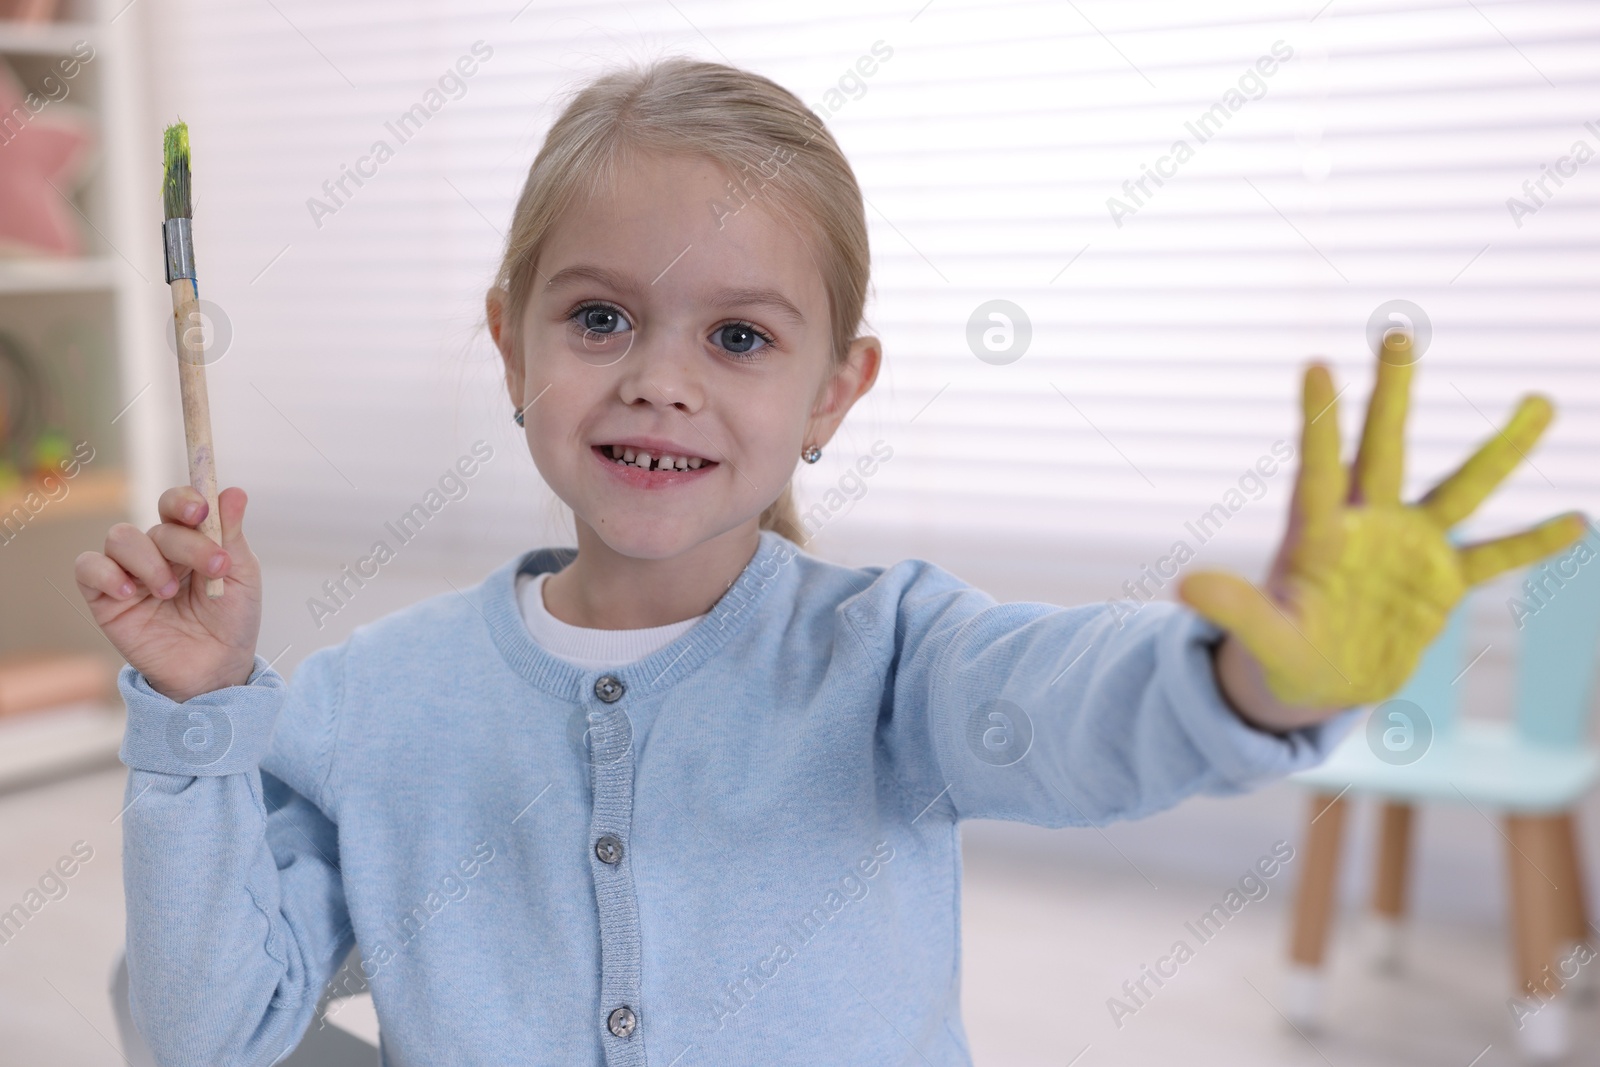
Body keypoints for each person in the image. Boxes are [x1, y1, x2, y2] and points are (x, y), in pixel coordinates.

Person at [75, 57, 1585, 1066]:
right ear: (510, 345)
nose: (662, 379)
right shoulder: (364, 704)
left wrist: (1249, 682)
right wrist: (198, 731)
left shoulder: (892, 654)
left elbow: (1067, 702)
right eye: (601, 318)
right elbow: (203, 1033)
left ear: (833, 394)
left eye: (738, 337)